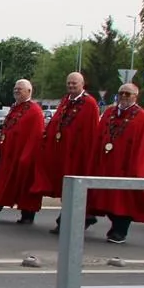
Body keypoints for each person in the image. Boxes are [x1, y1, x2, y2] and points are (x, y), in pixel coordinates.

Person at [88, 83, 144, 243]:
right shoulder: (109, 112)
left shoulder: (142, 117)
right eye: (121, 93)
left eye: (128, 94)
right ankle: (105, 223)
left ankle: (120, 230)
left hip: (126, 166)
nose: (123, 96)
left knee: (123, 200)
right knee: (107, 198)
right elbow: (99, 136)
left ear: (135, 97)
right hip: (107, 163)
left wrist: (137, 169)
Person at [34, 71, 101, 234]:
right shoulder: (66, 100)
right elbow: (57, 121)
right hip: (62, 152)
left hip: (78, 155)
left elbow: (90, 133)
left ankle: (67, 221)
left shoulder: (89, 104)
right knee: (66, 188)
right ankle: (84, 217)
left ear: (82, 85)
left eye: (74, 83)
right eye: (69, 83)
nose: (71, 86)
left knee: (73, 189)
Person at [0, 79, 46, 224]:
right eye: (15, 88)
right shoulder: (16, 108)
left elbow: (36, 136)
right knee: (2, 183)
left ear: (29, 91)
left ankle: (27, 215)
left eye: (20, 89)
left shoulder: (35, 111)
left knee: (25, 187)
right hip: (8, 155)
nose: (17, 91)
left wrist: (26, 156)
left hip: (24, 157)